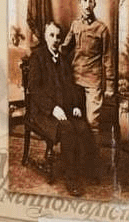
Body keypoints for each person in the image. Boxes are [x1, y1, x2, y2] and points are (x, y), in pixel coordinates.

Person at [27, 20, 99, 196]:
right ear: (45, 37)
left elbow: (70, 86)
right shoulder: (37, 57)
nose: (55, 40)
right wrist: (52, 108)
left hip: (63, 109)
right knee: (67, 129)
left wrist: (75, 105)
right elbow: (34, 89)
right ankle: (71, 179)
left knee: (82, 126)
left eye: (58, 37)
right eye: (51, 35)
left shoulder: (63, 60)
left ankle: (88, 169)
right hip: (43, 112)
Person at [62, 0, 114, 143]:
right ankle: (74, 154)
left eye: (90, 1)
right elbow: (64, 49)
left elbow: (108, 58)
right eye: (84, 1)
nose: (87, 5)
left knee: (92, 122)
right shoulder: (75, 25)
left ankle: (92, 156)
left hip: (93, 82)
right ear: (80, 3)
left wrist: (110, 85)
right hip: (75, 80)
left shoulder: (102, 29)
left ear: (94, 4)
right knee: (72, 119)